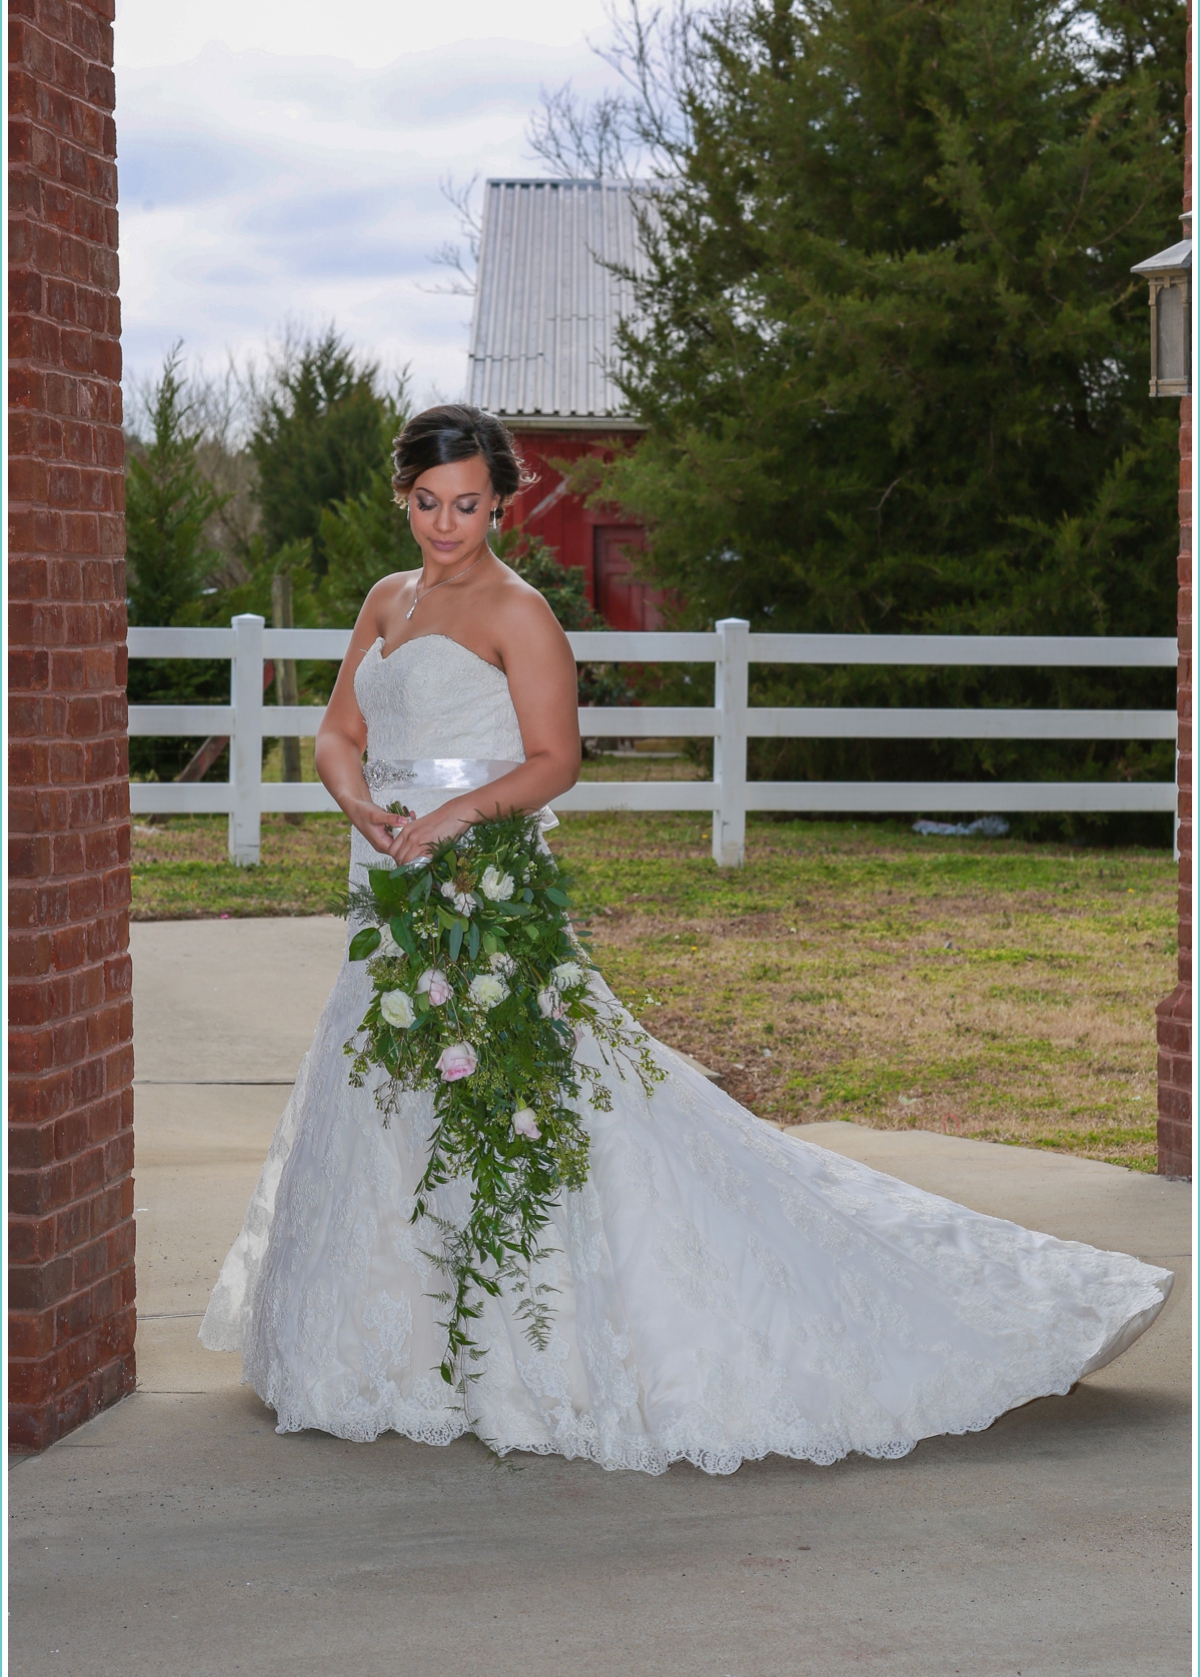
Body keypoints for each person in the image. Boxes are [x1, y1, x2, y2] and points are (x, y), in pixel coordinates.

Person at [200, 403, 1173, 1474]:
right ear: (405, 497)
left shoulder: (519, 613)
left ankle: (534, 1344)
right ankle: (404, 1348)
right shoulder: (386, 601)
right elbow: (340, 730)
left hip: (480, 875)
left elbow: (555, 758)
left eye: (469, 503)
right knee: (388, 1086)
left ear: (501, 499)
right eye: (428, 503)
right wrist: (360, 806)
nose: (446, 524)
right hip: (386, 883)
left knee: (530, 1090)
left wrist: (451, 819)